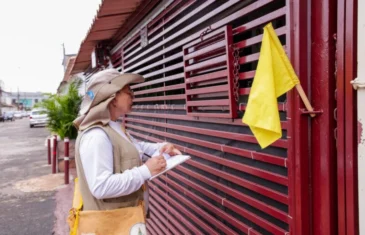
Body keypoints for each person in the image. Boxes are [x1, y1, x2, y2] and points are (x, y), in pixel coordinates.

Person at [73, 68, 181, 213]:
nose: (132, 96)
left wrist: (163, 147)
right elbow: (101, 186)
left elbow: (135, 147)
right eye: (128, 91)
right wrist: (145, 171)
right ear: (113, 97)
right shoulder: (96, 136)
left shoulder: (113, 126)